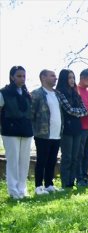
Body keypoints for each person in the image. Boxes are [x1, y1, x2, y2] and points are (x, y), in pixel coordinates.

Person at [0, 66, 33, 199]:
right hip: (10, 130)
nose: (22, 78)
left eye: (24, 76)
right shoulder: (4, 92)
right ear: (12, 77)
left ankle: (22, 189)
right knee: (13, 161)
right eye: (19, 76)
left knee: (24, 161)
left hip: (26, 129)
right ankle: (13, 191)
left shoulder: (26, 94)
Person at [55, 69, 88, 188]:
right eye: (69, 78)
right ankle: (65, 183)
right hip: (66, 129)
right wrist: (79, 112)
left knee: (76, 156)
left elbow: (85, 109)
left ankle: (72, 182)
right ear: (64, 79)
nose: (72, 80)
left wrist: (78, 112)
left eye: (73, 77)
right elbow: (69, 109)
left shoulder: (75, 93)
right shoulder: (59, 92)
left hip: (77, 128)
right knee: (67, 157)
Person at [30, 69, 63, 195]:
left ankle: (49, 184)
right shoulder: (37, 94)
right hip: (42, 134)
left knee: (52, 160)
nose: (55, 78)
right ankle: (38, 186)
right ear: (43, 78)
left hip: (56, 133)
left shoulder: (57, 94)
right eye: (52, 76)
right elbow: (31, 114)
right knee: (42, 160)